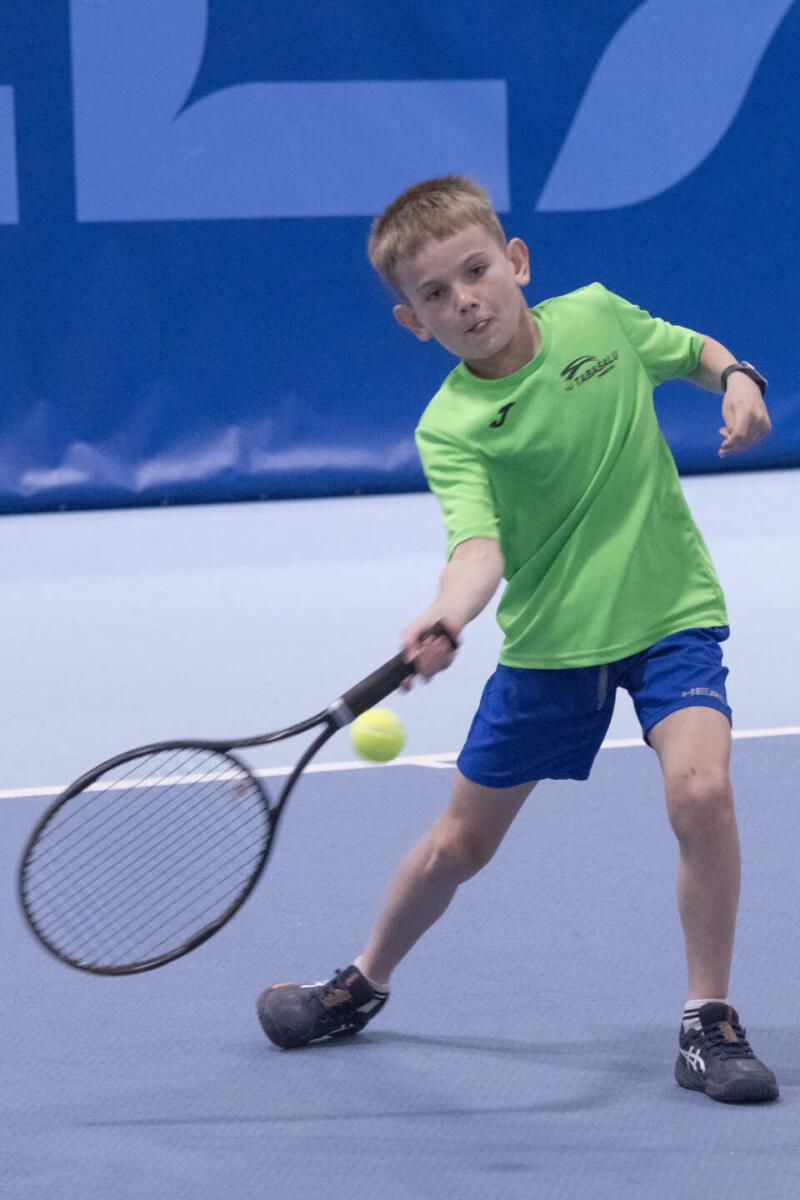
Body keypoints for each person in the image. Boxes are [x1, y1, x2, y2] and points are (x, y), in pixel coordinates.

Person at [257, 176, 777, 1104]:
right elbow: (478, 547)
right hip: (551, 649)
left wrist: (738, 376)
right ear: (414, 322)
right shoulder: (451, 426)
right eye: (435, 294)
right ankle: (361, 983)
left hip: (671, 614)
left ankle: (708, 1022)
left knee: (701, 792)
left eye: (476, 272)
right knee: (458, 847)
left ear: (516, 261)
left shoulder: (597, 317)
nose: (465, 300)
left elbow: (690, 349)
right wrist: (447, 614)